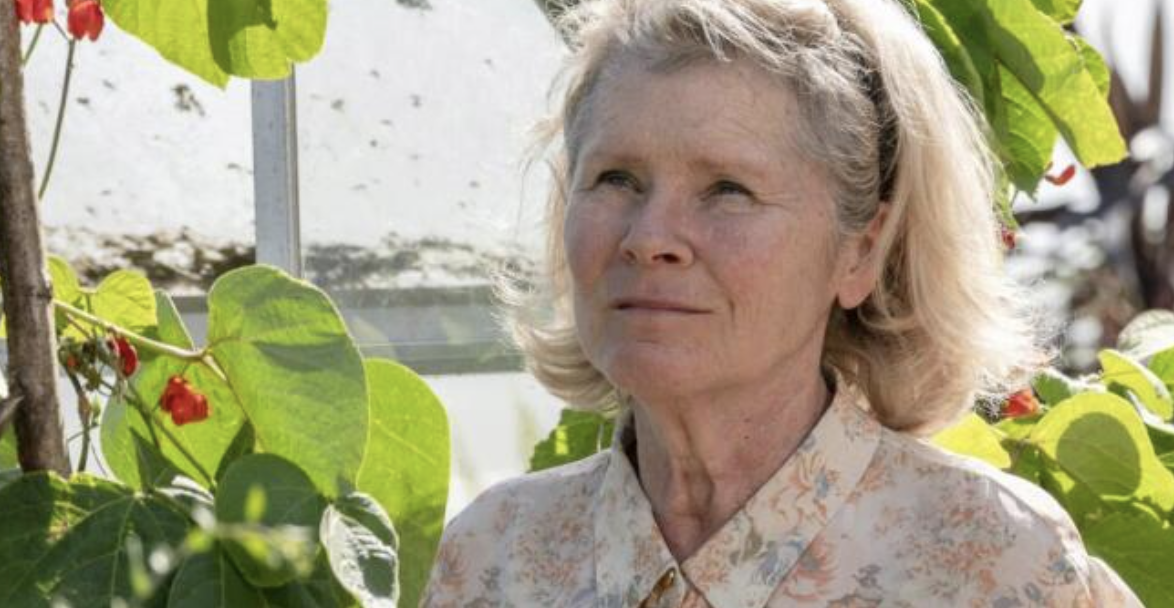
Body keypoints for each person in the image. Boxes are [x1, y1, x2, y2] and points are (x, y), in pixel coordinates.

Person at [422, 0, 1143, 605]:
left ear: (861, 252)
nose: (648, 238)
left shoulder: (995, 565)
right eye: (616, 179)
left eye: (727, 190)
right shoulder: (494, 558)